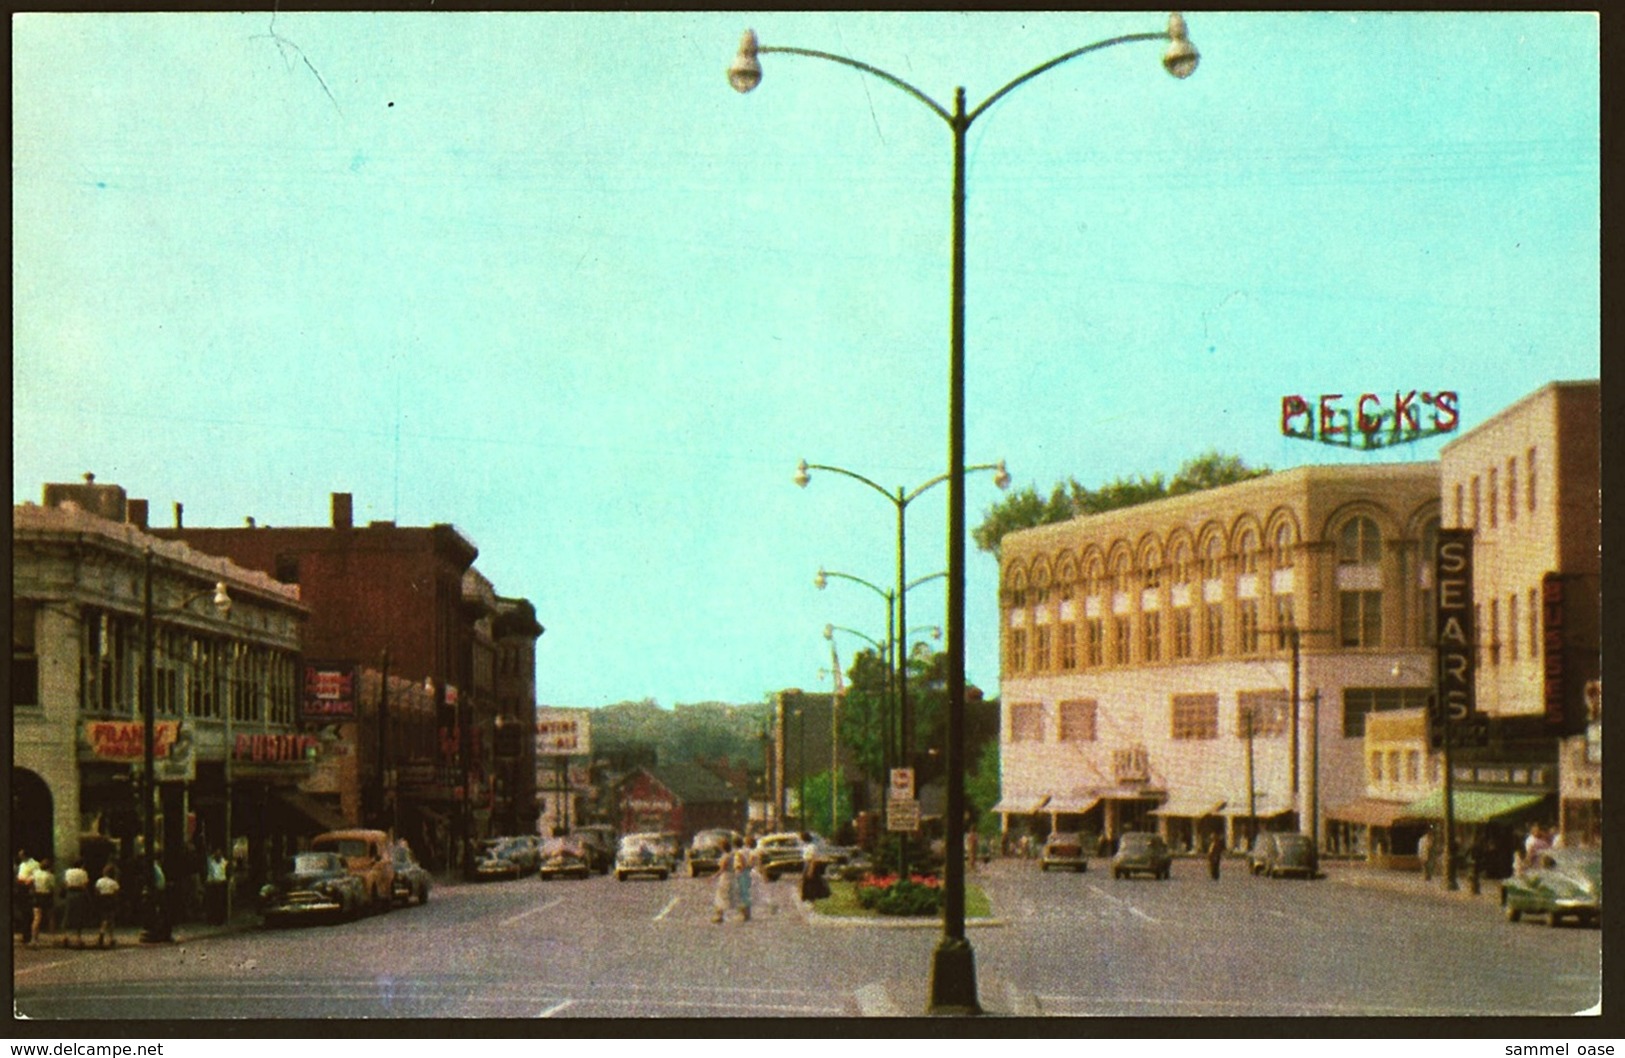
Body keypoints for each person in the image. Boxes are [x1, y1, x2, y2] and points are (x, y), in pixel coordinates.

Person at [61, 860, 91, 948]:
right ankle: (78, 938)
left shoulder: (68, 872)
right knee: (79, 915)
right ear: (82, 864)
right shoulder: (83, 873)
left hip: (70, 893)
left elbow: (65, 883)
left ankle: (65, 936)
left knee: (67, 914)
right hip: (80, 893)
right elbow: (85, 885)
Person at [30, 856, 57, 945]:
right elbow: (53, 887)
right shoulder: (50, 876)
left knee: (37, 918)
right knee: (51, 917)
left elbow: (32, 883)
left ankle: (34, 939)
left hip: (37, 895)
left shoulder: (35, 873)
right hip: (47, 896)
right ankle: (52, 939)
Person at [16, 849, 40, 943]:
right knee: (23, 913)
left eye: (21, 855)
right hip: (22, 888)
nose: (20, 857)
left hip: (29, 888)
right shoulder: (22, 864)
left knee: (28, 913)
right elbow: (20, 875)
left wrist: (28, 880)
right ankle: (25, 934)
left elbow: (36, 875)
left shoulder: (34, 864)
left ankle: (28, 935)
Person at [95, 864, 121, 948]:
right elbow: (116, 893)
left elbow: (97, 891)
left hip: (102, 899)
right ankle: (109, 937)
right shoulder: (113, 883)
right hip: (110, 899)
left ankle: (105, 935)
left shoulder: (99, 881)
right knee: (110, 919)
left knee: (104, 918)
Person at [711, 839, 736, 924]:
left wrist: (714, 876)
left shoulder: (726, 857)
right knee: (728, 896)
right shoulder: (733, 855)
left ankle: (719, 916)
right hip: (732, 876)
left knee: (720, 896)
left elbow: (723, 869)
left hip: (725, 877)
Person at [734, 838, 755, 922]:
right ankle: (747, 913)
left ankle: (745, 914)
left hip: (742, 872)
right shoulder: (748, 850)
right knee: (746, 892)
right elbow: (752, 859)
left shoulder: (739, 852)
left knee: (742, 893)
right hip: (748, 872)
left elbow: (742, 863)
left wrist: (741, 868)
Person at [205, 849, 229, 925]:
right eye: (216, 853)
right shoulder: (211, 862)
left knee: (220, 903)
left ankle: (219, 920)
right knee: (212, 903)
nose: (217, 854)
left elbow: (227, 873)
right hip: (212, 884)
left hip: (221, 884)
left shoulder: (224, 862)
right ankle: (212, 919)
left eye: (219, 853)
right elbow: (209, 872)